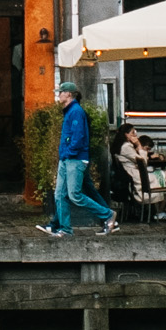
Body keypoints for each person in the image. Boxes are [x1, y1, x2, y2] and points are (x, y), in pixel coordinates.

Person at [46, 89, 114, 237]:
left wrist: (68, 152)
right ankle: (65, 229)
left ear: (69, 94)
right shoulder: (70, 111)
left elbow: (78, 136)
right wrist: (64, 155)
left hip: (75, 159)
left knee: (74, 195)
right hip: (66, 158)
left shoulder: (76, 111)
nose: (59, 95)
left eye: (61, 92)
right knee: (59, 195)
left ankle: (107, 214)